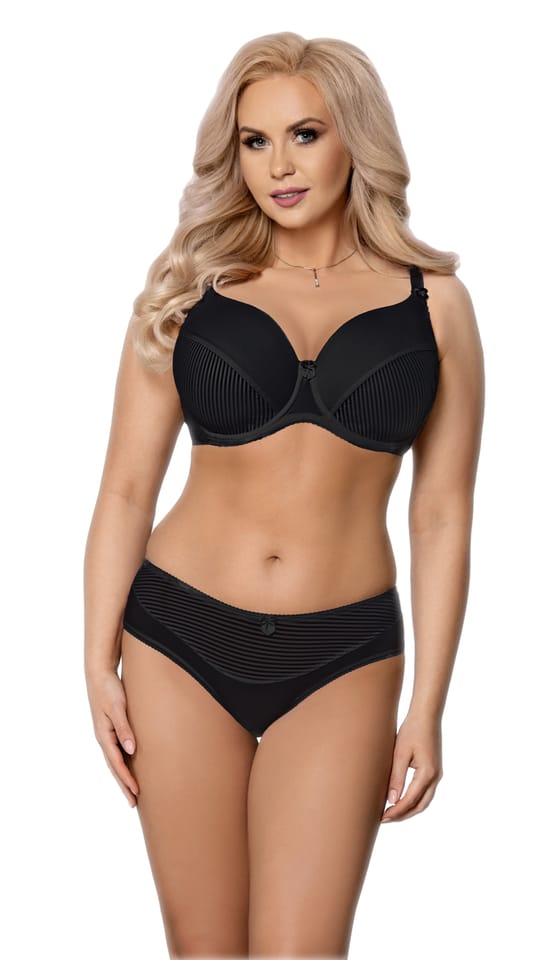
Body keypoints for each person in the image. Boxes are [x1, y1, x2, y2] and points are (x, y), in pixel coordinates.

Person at [83, 30, 484, 960]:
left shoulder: (436, 305)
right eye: (254, 141)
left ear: (355, 137)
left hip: (342, 655)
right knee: (204, 948)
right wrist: (97, 662)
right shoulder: (193, 289)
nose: (279, 166)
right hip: (178, 638)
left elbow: (441, 514)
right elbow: (127, 487)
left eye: (305, 134)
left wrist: (428, 706)